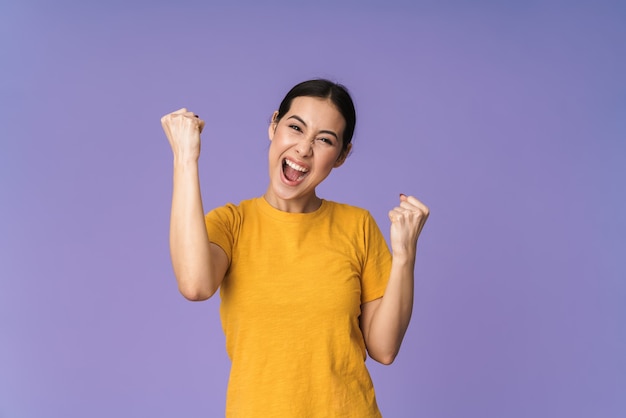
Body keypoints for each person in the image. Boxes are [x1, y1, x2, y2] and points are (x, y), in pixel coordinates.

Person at [161, 79, 429, 417]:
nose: (304, 149)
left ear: (342, 156)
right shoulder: (232, 224)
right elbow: (195, 284)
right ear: (274, 125)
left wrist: (405, 257)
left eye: (325, 140)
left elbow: (384, 348)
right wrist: (185, 158)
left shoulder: (357, 226)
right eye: (295, 127)